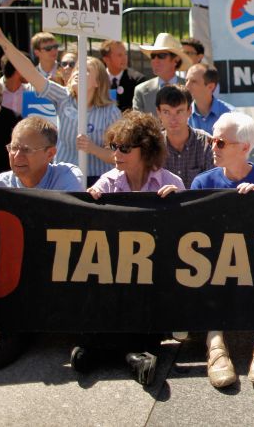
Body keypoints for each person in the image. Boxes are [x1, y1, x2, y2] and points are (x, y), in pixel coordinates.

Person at [0, 117, 83, 370]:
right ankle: (14, 332)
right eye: (13, 148)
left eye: (26, 150)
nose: (17, 155)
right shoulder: (0, 184)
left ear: (50, 153)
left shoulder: (68, 175)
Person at [73, 111, 182, 384]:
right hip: (116, 269)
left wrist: (177, 204)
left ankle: (108, 350)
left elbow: (185, 235)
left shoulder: (171, 183)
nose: (116, 154)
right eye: (113, 147)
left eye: (124, 148)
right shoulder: (108, 182)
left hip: (155, 273)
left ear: (145, 149)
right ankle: (130, 354)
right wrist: (91, 202)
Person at [188, 111, 254, 388]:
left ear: (244, 147)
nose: (212, 147)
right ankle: (214, 341)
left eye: (220, 143)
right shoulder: (202, 183)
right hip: (217, 261)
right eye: (212, 141)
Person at [0, 16, 120, 185]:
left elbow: (118, 156)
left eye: (86, 70)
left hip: (98, 183)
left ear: (98, 82)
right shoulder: (63, 97)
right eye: (77, 69)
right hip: (63, 180)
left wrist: (93, 149)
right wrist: (1, 39)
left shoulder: (111, 112)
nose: (76, 72)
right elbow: (31, 72)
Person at [132, 34, 187, 116]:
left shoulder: (189, 87)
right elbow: (138, 126)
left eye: (161, 56)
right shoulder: (141, 91)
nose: (155, 60)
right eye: (153, 56)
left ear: (176, 60)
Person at [185, 63, 233, 135]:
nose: (187, 85)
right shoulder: (181, 115)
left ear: (210, 87)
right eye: (186, 80)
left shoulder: (231, 115)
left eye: (193, 81)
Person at [100, 39, 144, 112]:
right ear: (106, 59)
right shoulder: (98, 80)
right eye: (119, 55)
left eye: (125, 54)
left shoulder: (137, 80)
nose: (124, 58)